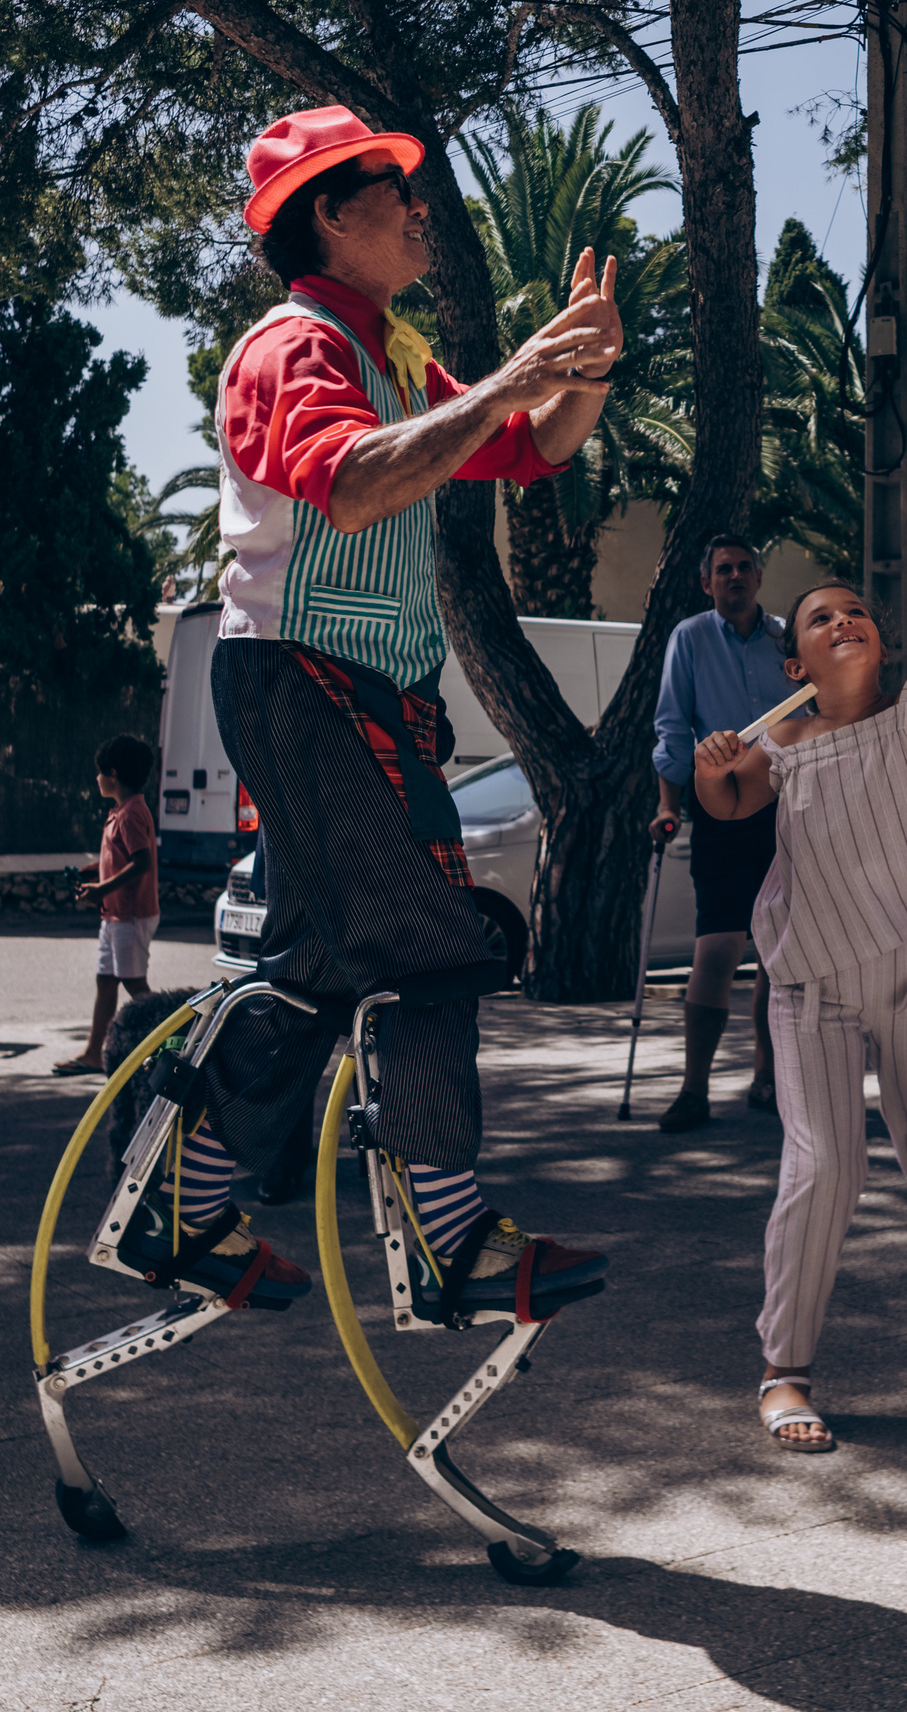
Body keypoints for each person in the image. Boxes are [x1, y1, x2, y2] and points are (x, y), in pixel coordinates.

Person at [158, 104, 619, 1322]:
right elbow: (356, 488)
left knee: (313, 964)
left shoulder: (395, 349)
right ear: (325, 213)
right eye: (391, 190)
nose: (420, 207)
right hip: (302, 678)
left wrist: (582, 372)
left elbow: (527, 447)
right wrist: (518, 375)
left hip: (367, 692)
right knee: (433, 943)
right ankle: (448, 1237)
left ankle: (183, 1199)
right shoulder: (290, 345)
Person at [689, 417, 907, 1453]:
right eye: (821, 618)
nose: (843, 621)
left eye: (858, 613)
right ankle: (783, 1369)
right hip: (812, 987)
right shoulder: (778, 745)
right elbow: (726, 804)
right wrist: (711, 772)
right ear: (794, 655)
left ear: (881, 640)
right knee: (824, 1163)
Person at [649, 531, 791, 1131]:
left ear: (758, 577)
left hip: (790, 807)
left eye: (744, 567)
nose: (735, 576)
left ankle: (768, 1080)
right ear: (707, 583)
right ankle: (694, 1089)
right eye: (723, 570)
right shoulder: (690, 637)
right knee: (716, 948)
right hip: (723, 805)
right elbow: (673, 726)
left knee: (781, 957)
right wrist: (667, 803)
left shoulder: (789, 637)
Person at [56, 735, 159, 1078]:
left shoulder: (130, 814)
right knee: (106, 981)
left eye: (99, 773)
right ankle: (93, 1054)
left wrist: (100, 889)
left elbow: (141, 862)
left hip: (129, 915)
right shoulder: (121, 811)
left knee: (135, 986)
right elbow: (120, 859)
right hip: (115, 914)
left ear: (113, 774)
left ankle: (174, 1044)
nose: (96, 779)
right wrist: (92, 874)